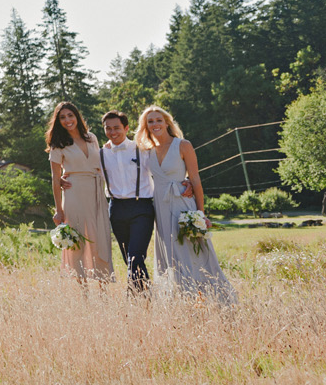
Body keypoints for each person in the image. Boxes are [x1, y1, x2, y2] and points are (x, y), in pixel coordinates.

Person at [136, 105, 235, 304]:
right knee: (171, 257)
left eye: (158, 120)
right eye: (150, 121)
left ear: (167, 123)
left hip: (183, 205)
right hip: (161, 210)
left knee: (194, 251)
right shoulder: (147, 152)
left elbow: (196, 180)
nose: (155, 124)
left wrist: (201, 214)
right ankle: (180, 301)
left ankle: (218, 298)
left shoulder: (183, 145)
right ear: (146, 127)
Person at [46, 101, 114, 284]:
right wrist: (58, 210)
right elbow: (54, 178)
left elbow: (101, 162)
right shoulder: (57, 144)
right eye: (62, 117)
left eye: (70, 115)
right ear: (58, 121)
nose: (67, 120)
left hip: (96, 191)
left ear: (77, 116)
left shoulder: (91, 137)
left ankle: (103, 288)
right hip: (74, 192)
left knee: (100, 237)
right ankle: (82, 291)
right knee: (78, 240)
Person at [100, 110, 156, 292]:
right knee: (128, 258)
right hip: (116, 208)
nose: (113, 132)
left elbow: (162, 170)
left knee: (136, 255)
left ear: (126, 128)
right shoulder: (101, 154)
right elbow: (87, 174)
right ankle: (145, 296)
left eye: (116, 128)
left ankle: (134, 297)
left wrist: (185, 180)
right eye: (108, 128)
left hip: (142, 206)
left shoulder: (142, 149)